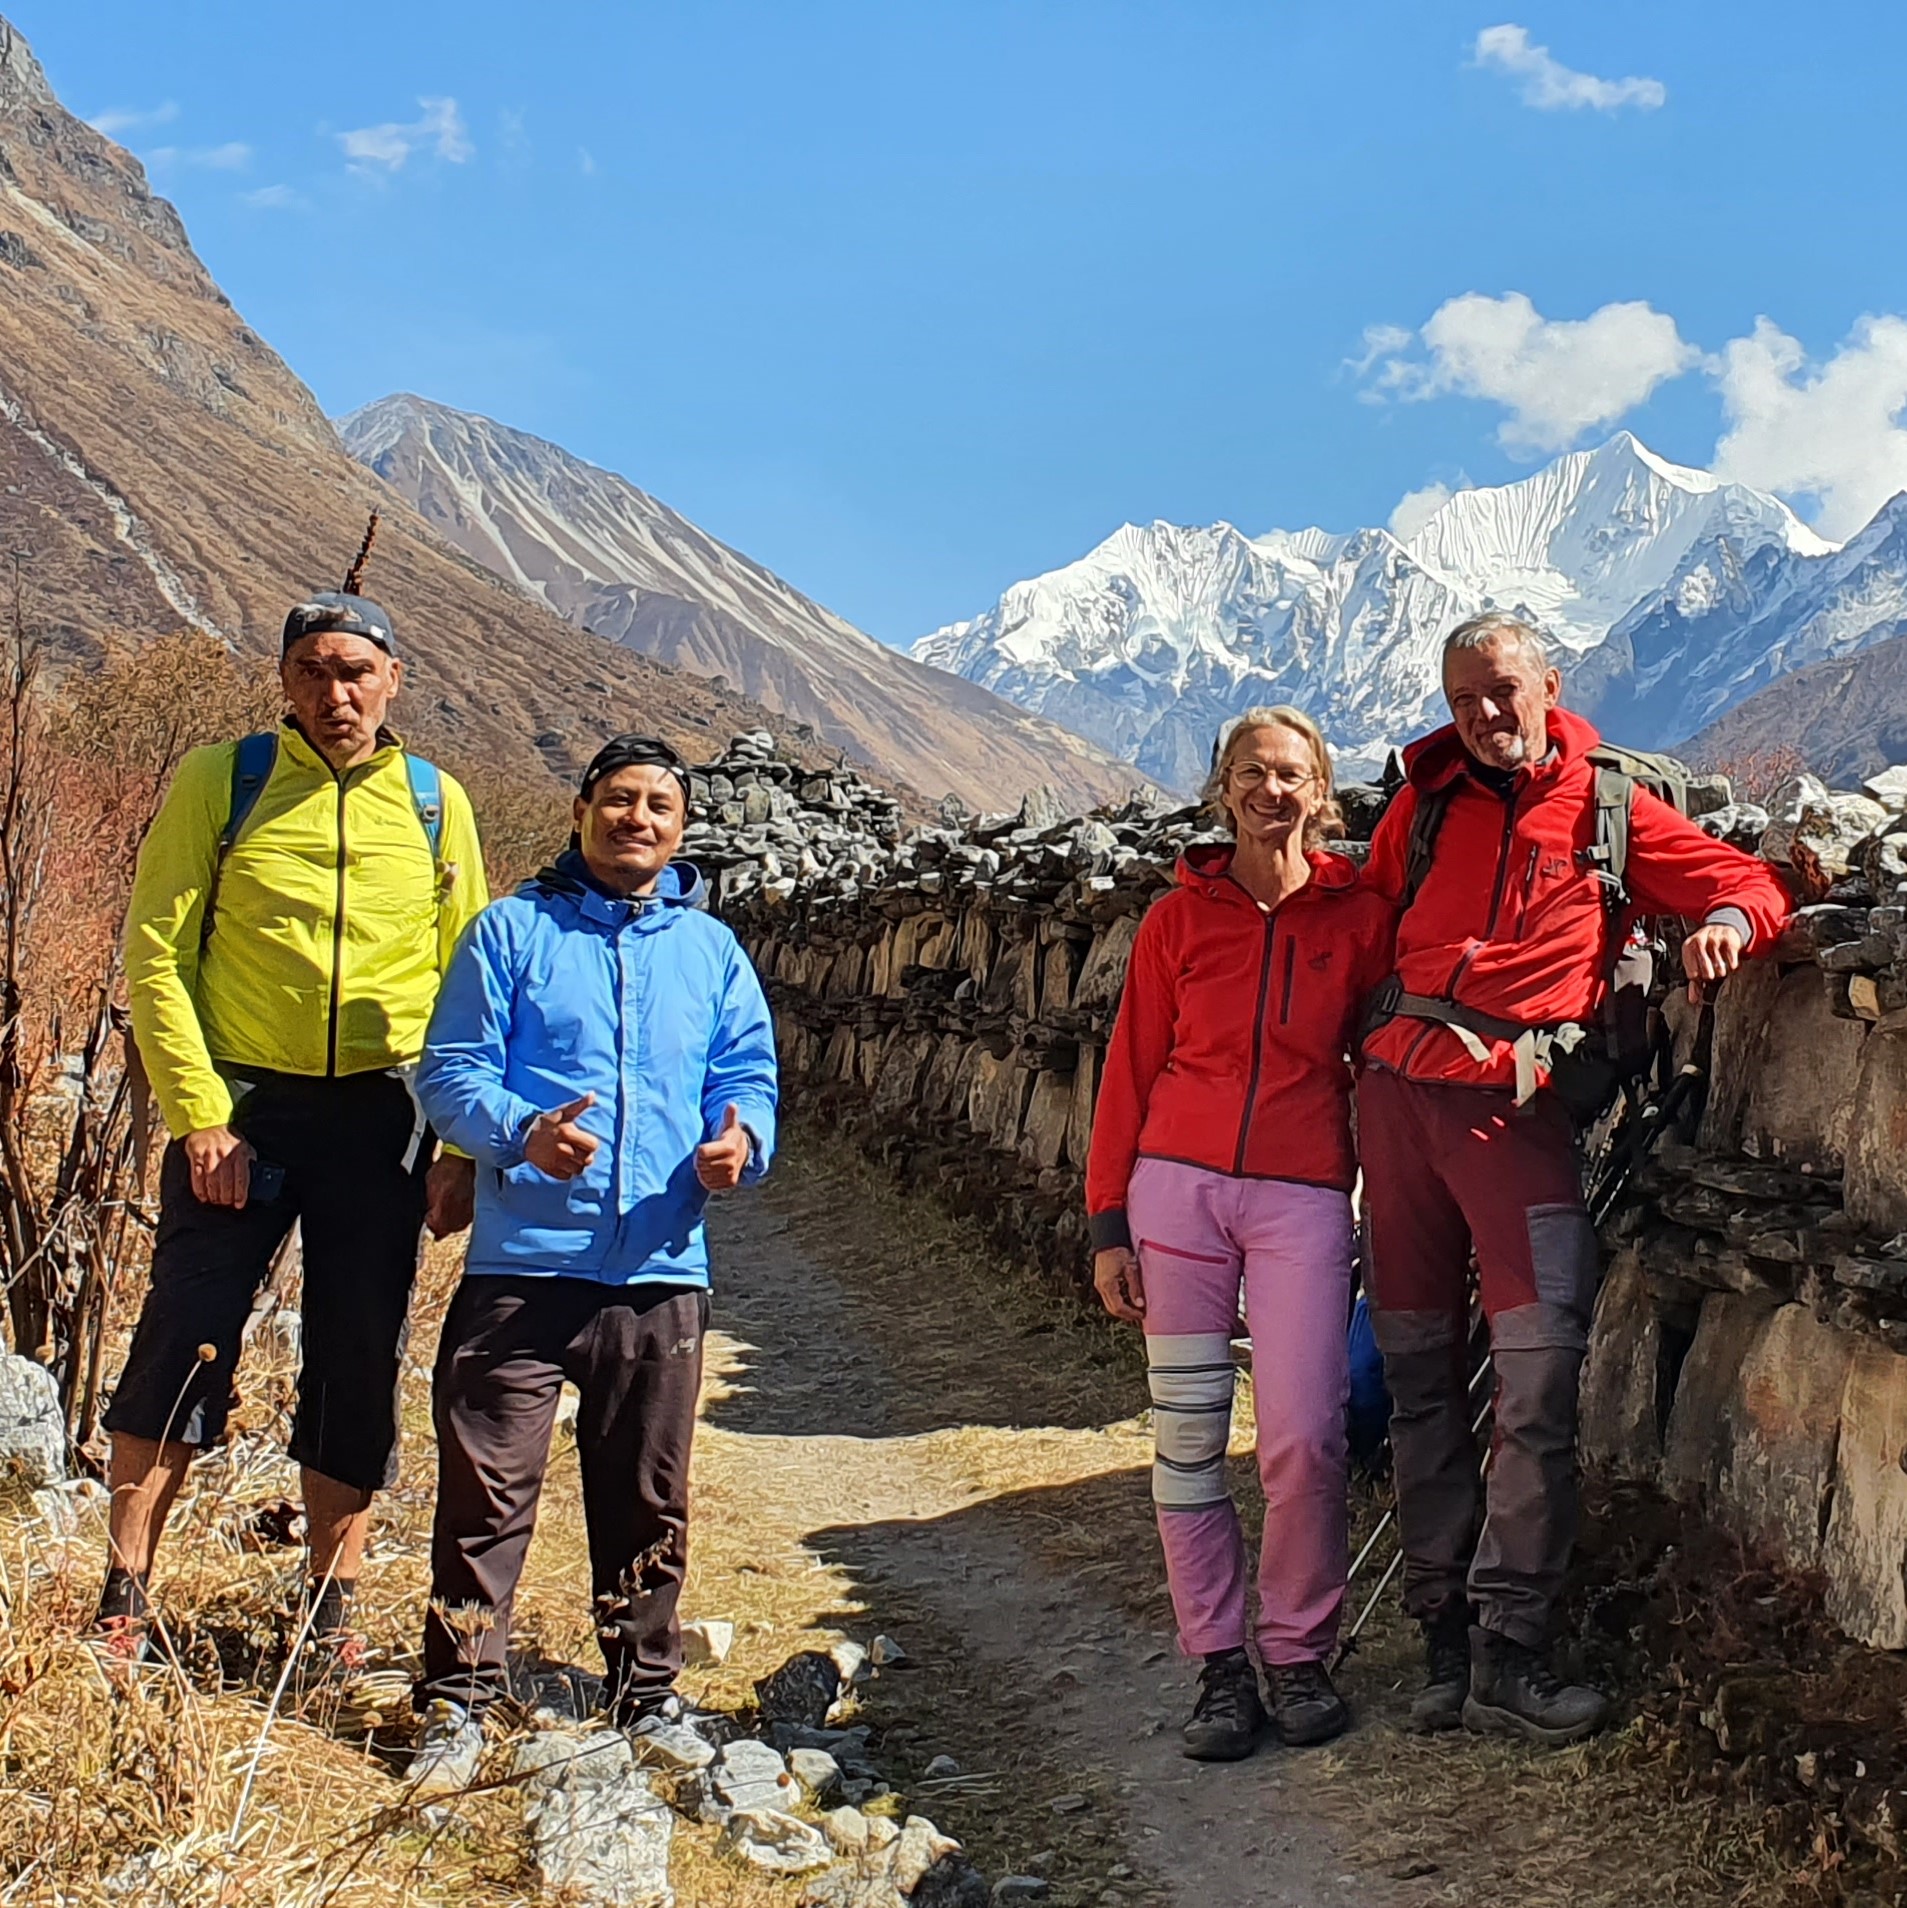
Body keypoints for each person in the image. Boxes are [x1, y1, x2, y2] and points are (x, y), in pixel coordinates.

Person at [1358, 612, 1792, 1747]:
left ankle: (1512, 1644)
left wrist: (1729, 923)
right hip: (1395, 1108)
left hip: (1515, 1114)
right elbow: (1365, 921)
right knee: (1416, 1380)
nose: (1484, 715)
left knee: (1535, 1385)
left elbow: (1745, 882)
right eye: (1462, 699)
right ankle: (1440, 1641)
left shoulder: (1607, 810)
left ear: (1550, 683)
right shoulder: (1425, 799)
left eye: (1501, 690)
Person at [101, 584, 487, 1667]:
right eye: (312, 671)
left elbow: (471, 984)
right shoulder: (223, 783)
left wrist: (458, 1147)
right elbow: (158, 954)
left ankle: (332, 1613)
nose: (335, 693)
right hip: (241, 1113)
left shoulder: (432, 803)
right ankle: (123, 1600)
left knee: (358, 1353)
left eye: (356, 671)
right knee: (183, 1339)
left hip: (381, 1115)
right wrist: (199, 1117)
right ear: (283, 680)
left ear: (394, 681)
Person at [406, 732, 778, 1794]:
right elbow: (451, 1071)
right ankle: (461, 1699)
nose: (638, 820)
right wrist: (520, 1131)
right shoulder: (508, 933)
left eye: (659, 805)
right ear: (581, 811)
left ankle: (646, 1689)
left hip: (660, 1266)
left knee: (648, 1492)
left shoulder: (710, 953)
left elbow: (744, 1069)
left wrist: (738, 1139)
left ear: (681, 829)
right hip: (523, 1263)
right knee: (486, 1490)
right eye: (619, 800)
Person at [1085, 707, 1395, 1762]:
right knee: (1185, 1440)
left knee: (1305, 1437)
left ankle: (1297, 1650)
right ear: (1223, 787)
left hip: (1302, 1194)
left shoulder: (1359, 918)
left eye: (1294, 776)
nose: (1273, 792)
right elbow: (1127, 1069)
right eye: (1253, 773)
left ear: (1322, 793)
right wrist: (1106, 1223)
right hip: (1174, 1196)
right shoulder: (1178, 919)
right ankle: (1218, 1662)